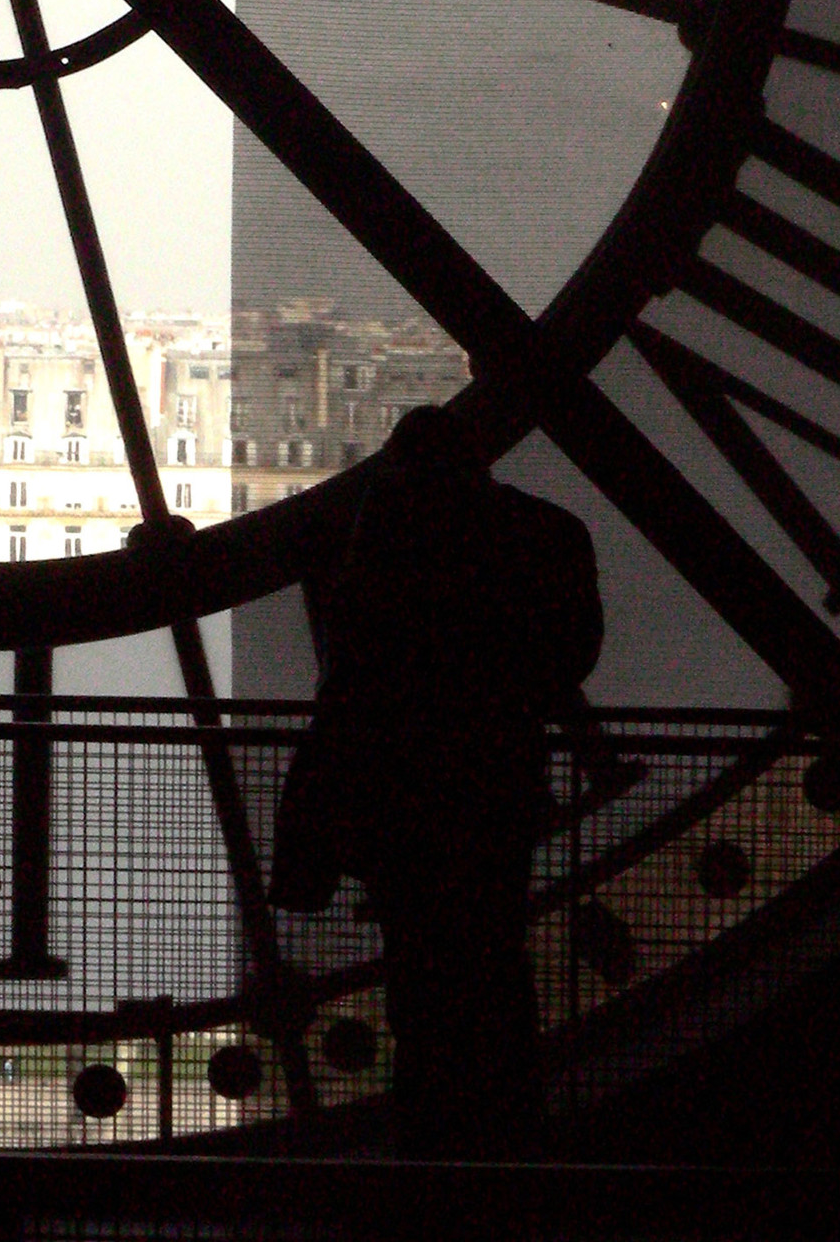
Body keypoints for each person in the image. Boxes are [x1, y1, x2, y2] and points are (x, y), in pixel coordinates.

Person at [270, 405, 603, 1160]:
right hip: (495, 784)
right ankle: (499, 1140)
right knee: (491, 963)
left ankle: (432, 1145)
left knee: (421, 984)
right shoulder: (545, 533)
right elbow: (567, 656)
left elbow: (352, 679)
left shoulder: (383, 535)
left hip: (405, 800)